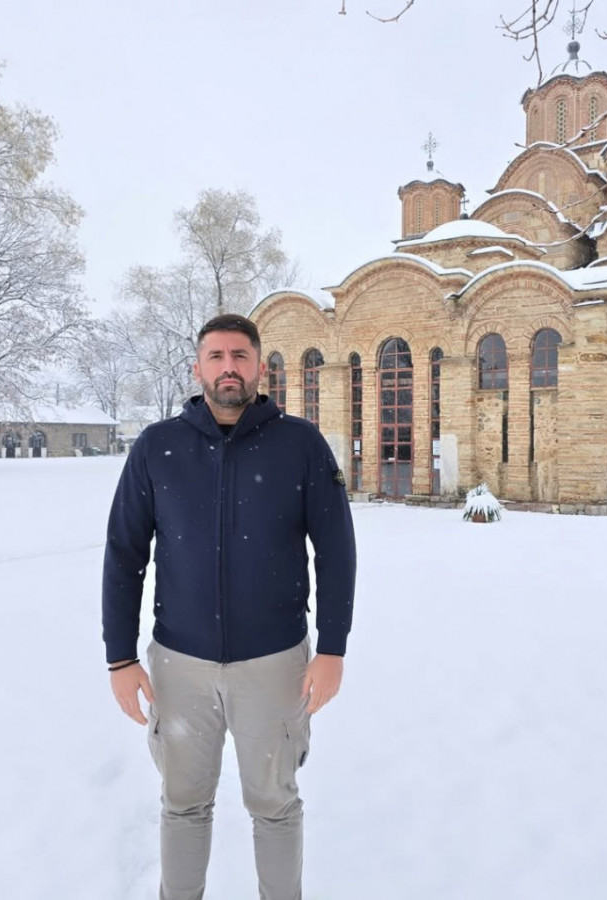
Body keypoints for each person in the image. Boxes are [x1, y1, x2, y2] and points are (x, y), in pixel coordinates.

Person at [102, 314, 356, 900]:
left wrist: (333, 648)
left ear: (259, 367)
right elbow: (123, 553)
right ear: (198, 368)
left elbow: (336, 550)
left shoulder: (300, 445)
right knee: (183, 803)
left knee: (275, 804)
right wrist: (120, 658)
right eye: (215, 356)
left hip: (274, 662)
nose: (228, 368)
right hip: (180, 663)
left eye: (240, 356)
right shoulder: (157, 447)